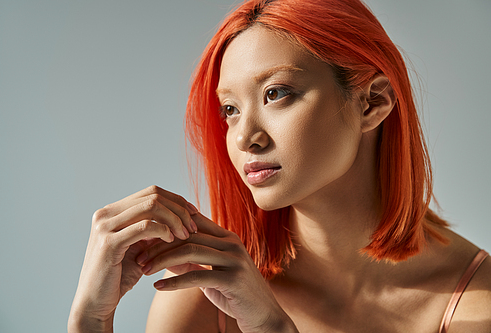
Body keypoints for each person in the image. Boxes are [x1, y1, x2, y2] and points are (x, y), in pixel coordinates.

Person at [68, 0, 491, 332]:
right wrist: (89, 321)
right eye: (229, 109)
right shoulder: (203, 294)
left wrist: (271, 328)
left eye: (276, 93)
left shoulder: (477, 302)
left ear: (373, 102)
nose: (243, 136)